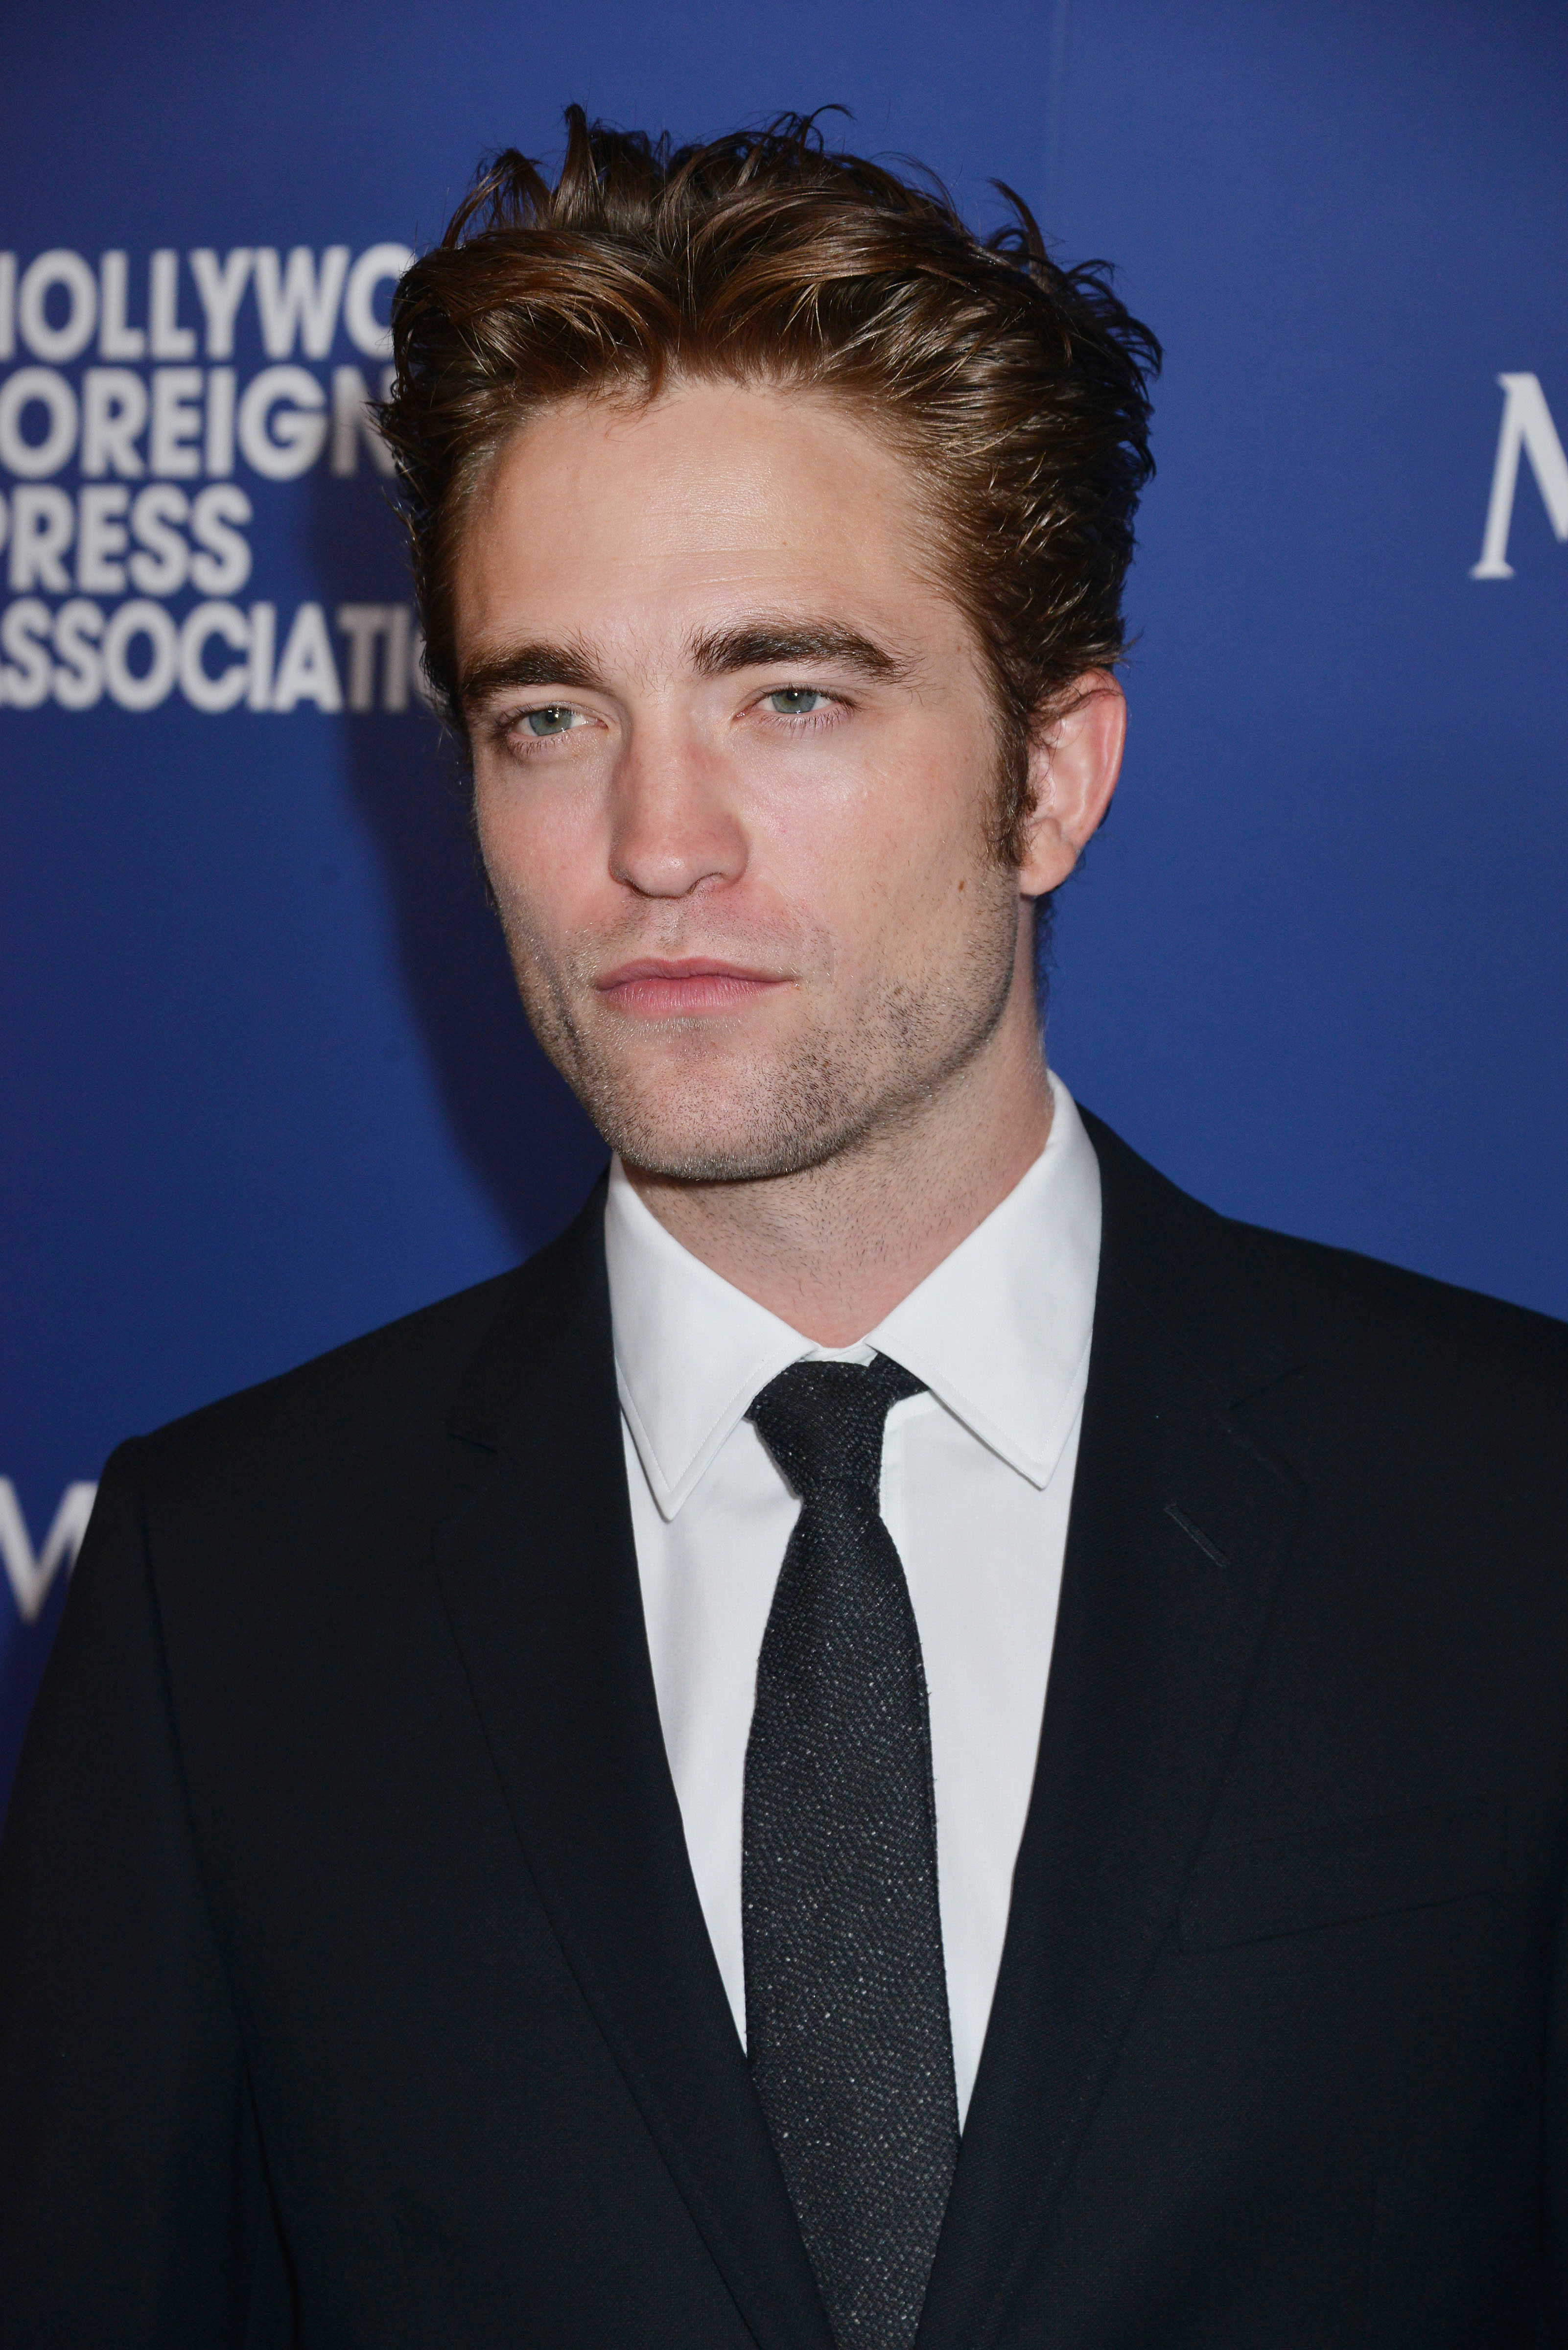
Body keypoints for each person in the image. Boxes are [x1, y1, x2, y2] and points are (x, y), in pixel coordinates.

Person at [1, 108, 1565, 2350]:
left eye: (791, 695)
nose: (656, 839)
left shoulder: (1516, 1509)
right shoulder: (219, 1594)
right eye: (553, 714)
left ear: (1052, 777)